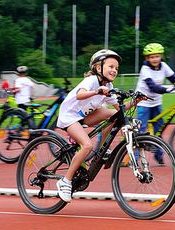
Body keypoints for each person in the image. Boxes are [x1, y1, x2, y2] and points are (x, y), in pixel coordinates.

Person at [56, 49, 140, 203]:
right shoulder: (92, 80)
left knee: (115, 116)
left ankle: (101, 149)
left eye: (116, 68)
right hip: (69, 116)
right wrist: (97, 91)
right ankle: (65, 181)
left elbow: (119, 109)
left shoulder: (109, 85)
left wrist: (136, 101)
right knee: (86, 145)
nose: (114, 70)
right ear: (98, 67)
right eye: (111, 66)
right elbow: (79, 95)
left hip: (84, 116)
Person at [135, 43, 175, 164]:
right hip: (143, 102)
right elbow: (152, 87)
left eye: (157, 56)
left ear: (161, 56)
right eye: (151, 57)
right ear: (147, 58)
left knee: (159, 129)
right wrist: (166, 89)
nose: (155, 59)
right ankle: (135, 158)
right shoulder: (145, 69)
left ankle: (158, 155)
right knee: (141, 130)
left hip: (156, 102)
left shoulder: (164, 66)